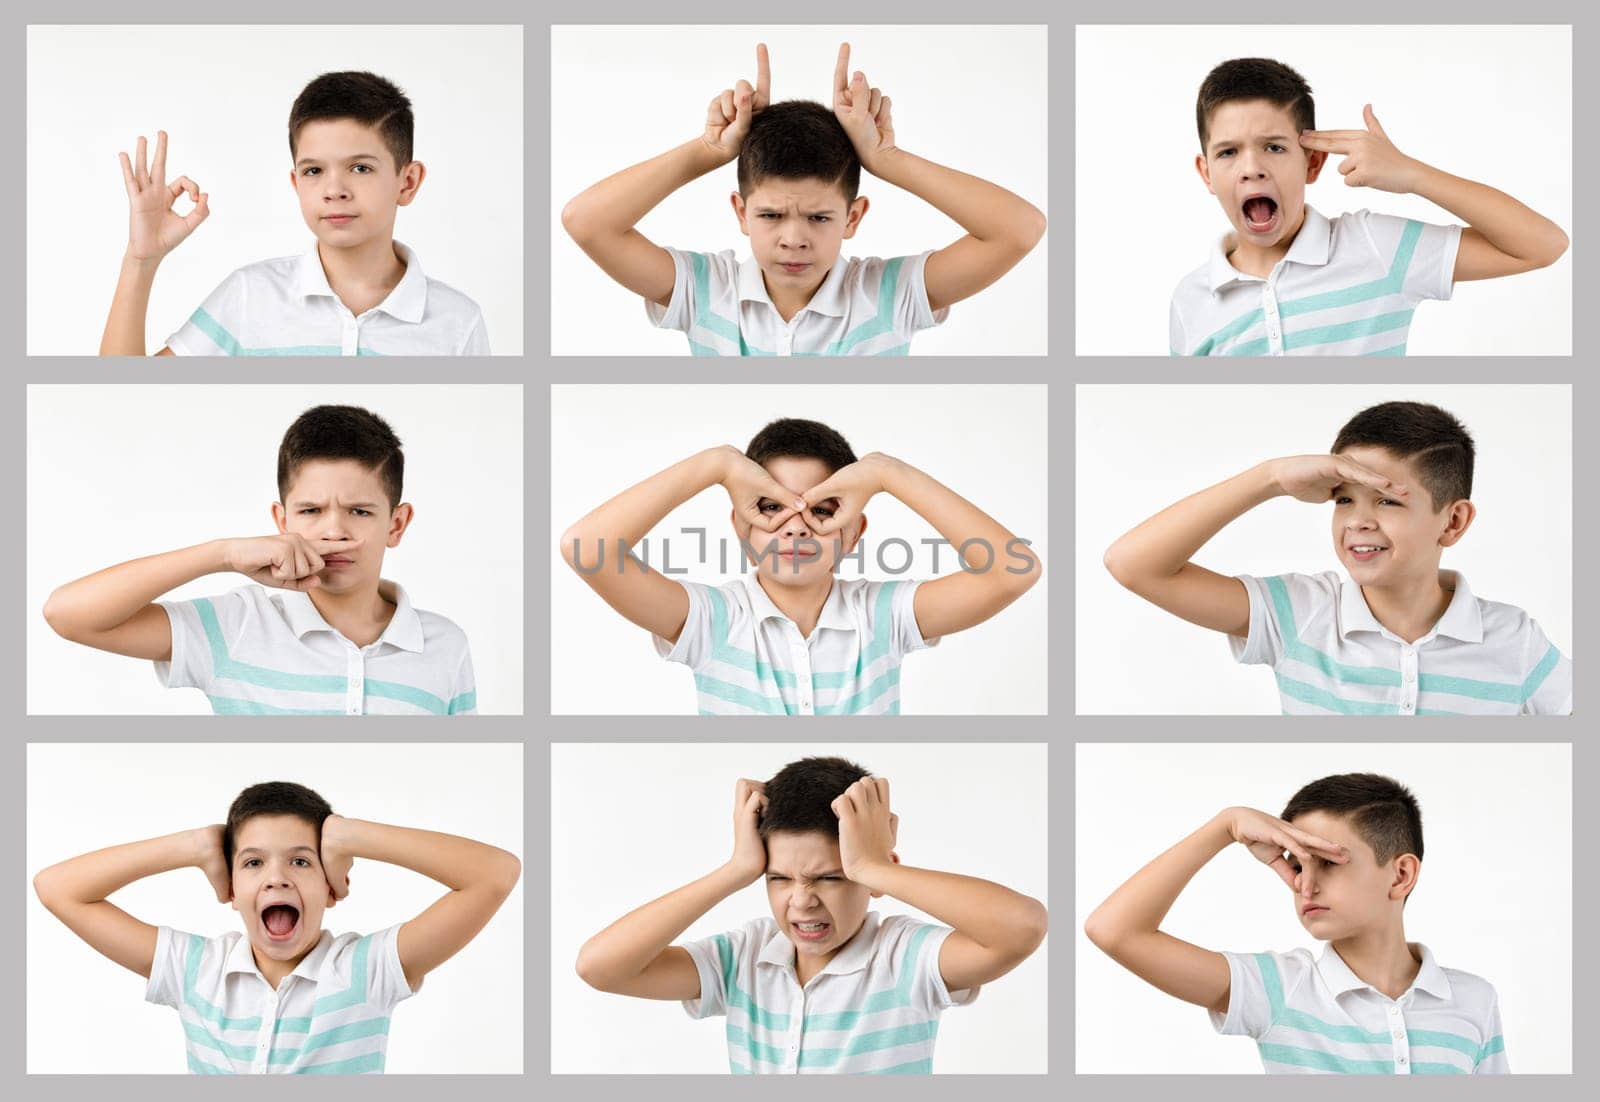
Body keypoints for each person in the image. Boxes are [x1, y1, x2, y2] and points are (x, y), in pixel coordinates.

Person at [561, 42, 1046, 355]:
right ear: (740, 212)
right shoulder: (706, 290)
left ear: (853, 217)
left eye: (819, 217)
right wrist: (706, 150)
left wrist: (887, 158)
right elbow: (585, 221)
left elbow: (1019, 229)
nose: (794, 239)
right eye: (771, 215)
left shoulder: (887, 294)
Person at [575, 756, 1047, 1073]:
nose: (801, 902)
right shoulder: (744, 956)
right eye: (778, 879)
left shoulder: (903, 957)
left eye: (832, 878)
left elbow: (1021, 927)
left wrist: (871, 864)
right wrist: (735, 870)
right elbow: (600, 967)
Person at [1103, 400, 1571, 714]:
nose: (1358, 521)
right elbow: (1132, 564)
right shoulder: (1299, 613)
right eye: (1344, 500)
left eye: (1387, 501)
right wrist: (1271, 478)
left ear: (1452, 522)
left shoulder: (1515, 640)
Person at [33, 781, 521, 1074]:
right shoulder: (195, 970)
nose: (277, 877)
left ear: (332, 887)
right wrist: (195, 846)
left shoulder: (366, 970)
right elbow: (58, 888)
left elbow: (494, 875)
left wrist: (352, 835)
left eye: (301, 862)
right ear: (229, 887)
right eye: (252, 863)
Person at [559, 417, 1041, 714]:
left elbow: (1015, 569)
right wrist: (717, 466)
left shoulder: (884, 614)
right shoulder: (710, 619)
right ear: (740, 524)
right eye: (770, 507)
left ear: (855, 532)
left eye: (823, 510)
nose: (796, 527)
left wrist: (885, 473)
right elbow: (584, 547)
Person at [43, 404, 476, 715]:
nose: (334, 531)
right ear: (281, 520)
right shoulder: (237, 624)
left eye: (360, 511)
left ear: (396, 525)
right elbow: (67, 614)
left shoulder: (445, 644)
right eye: (310, 511)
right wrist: (223, 554)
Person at [1084, 773, 1507, 1074]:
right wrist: (1226, 825)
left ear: (1401, 875)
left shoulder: (1473, 999)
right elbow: (1113, 930)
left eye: (1326, 862)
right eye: (1297, 864)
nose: (1305, 885)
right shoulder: (1278, 990)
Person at [1171, 58, 1567, 356]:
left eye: (1274, 147)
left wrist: (1413, 175)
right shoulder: (1191, 299)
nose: (1252, 169)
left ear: (1312, 162)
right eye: (1228, 152)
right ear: (1206, 173)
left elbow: (1543, 245)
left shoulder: (1376, 246)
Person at [102, 71, 489, 356]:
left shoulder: (458, 322)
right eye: (314, 171)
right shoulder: (250, 296)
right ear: (295, 182)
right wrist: (141, 260)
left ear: (407, 182)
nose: (334, 190)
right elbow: (121, 400)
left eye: (360, 168)